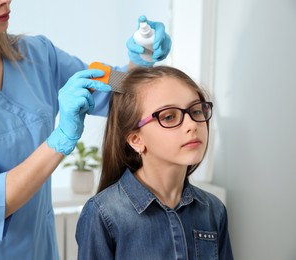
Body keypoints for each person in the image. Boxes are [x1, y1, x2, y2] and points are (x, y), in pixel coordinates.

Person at [0, 0, 171, 259]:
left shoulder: (38, 54)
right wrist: (60, 139)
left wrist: (140, 60)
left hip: (35, 246)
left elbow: (114, 89)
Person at [76, 66, 234, 259]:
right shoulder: (103, 214)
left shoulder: (213, 210)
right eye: (169, 116)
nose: (192, 125)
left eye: (196, 111)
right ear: (136, 140)